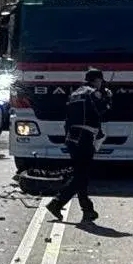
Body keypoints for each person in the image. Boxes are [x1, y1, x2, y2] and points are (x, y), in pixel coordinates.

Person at [46, 67, 111, 224]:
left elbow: (68, 118)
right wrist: (108, 98)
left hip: (72, 137)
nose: (101, 84)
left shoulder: (75, 93)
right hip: (84, 137)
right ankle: (57, 203)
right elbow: (100, 110)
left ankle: (87, 210)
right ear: (97, 80)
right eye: (100, 81)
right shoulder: (92, 93)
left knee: (80, 174)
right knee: (81, 175)